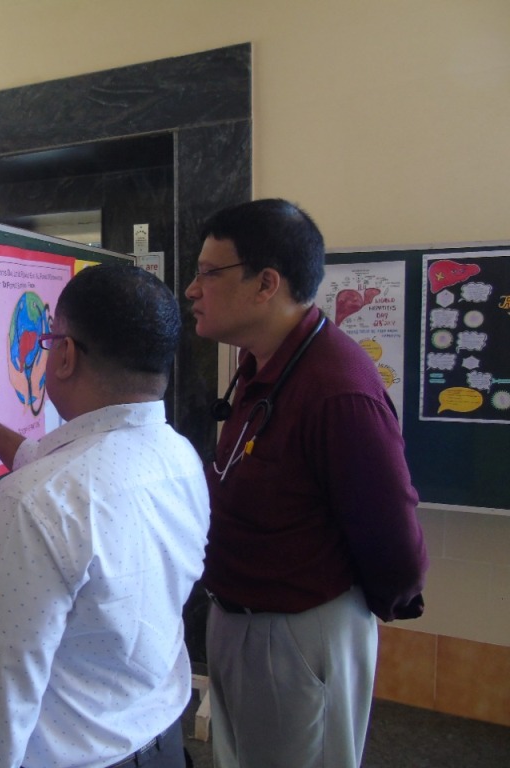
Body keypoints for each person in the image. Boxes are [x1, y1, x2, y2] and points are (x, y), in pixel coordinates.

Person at [0, 263, 210, 768]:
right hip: (165, 746)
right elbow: (66, 474)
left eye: (49, 340)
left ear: (65, 355)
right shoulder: (179, 458)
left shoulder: (31, 505)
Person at [184, 199, 428, 768]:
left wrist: (337, 622)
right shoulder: (261, 366)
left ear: (266, 284)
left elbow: (394, 544)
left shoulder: (337, 388)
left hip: (298, 631)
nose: (192, 290)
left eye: (208, 273)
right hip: (240, 618)